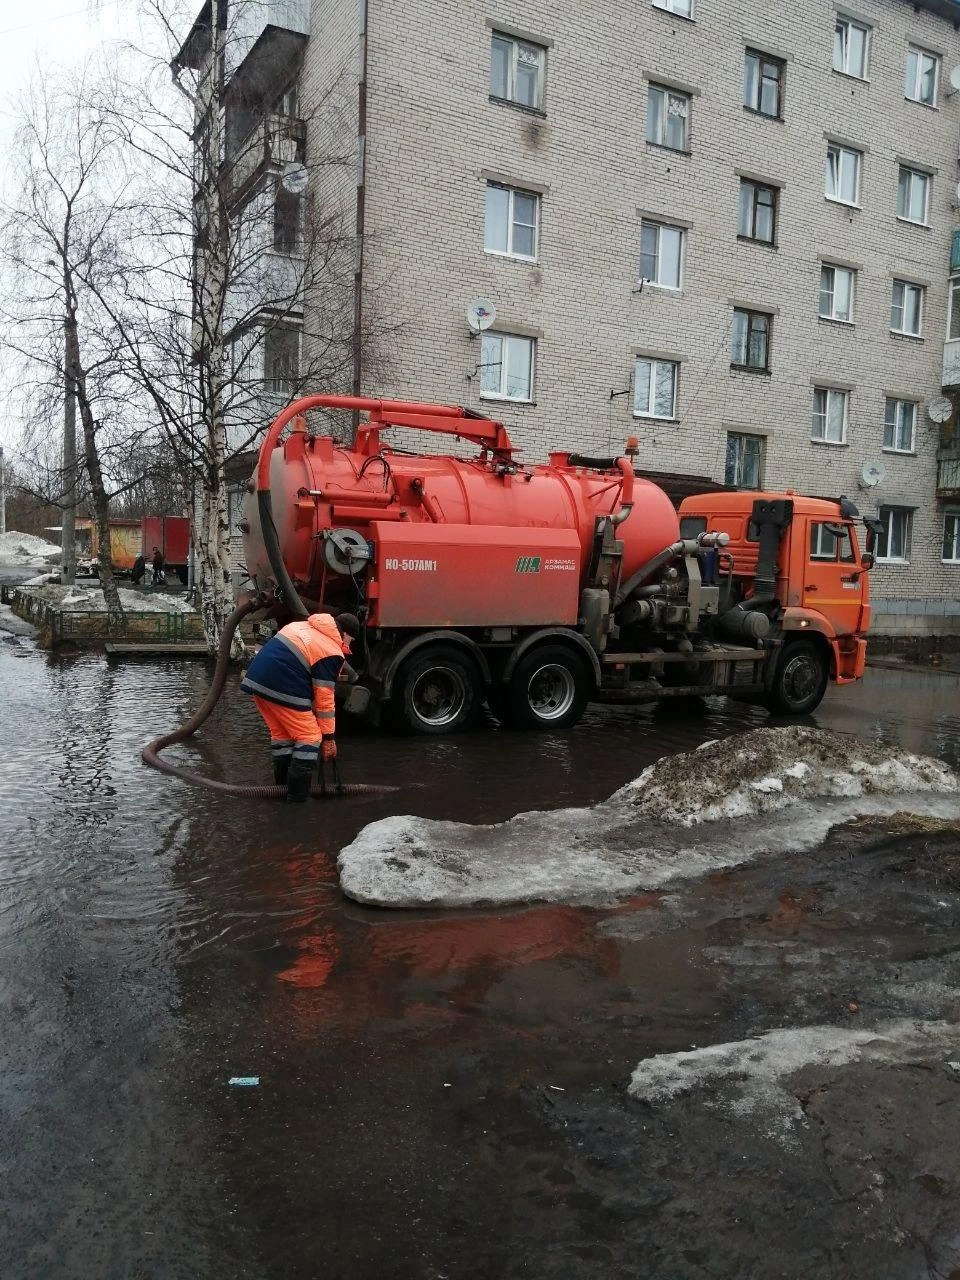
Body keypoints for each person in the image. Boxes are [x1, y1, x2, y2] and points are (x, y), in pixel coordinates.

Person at [241, 611, 361, 802]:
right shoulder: (331, 649)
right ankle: (297, 800)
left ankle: (280, 791)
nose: (349, 645)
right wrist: (328, 738)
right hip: (283, 686)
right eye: (351, 640)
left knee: (283, 736)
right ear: (346, 634)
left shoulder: (301, 626)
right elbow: (324, 698)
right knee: (310, 737)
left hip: (257, 682)